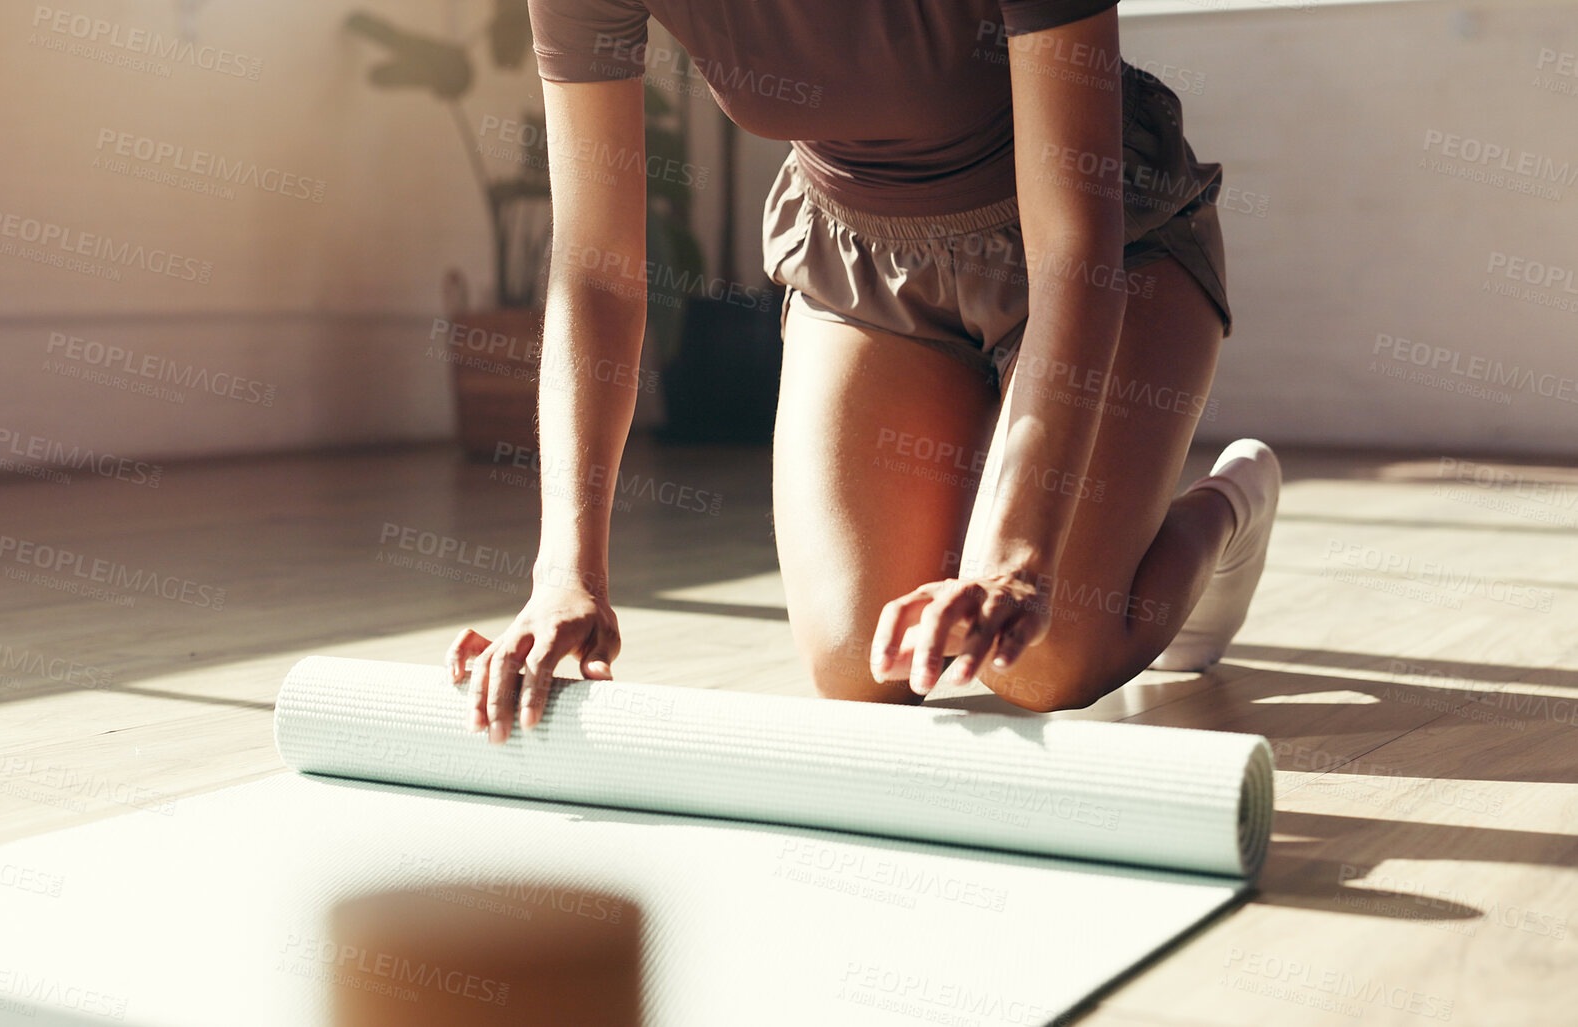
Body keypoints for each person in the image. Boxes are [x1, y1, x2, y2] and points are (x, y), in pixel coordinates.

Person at [447, 0, 1282, 743]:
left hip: (1107, 244)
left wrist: (1012, 562)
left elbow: (1072, 255)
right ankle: (1084, 545)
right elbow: (595, 270)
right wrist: (566, 574)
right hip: (861, 259)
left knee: (1044, 663)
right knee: (862, 670)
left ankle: (1222, 513)